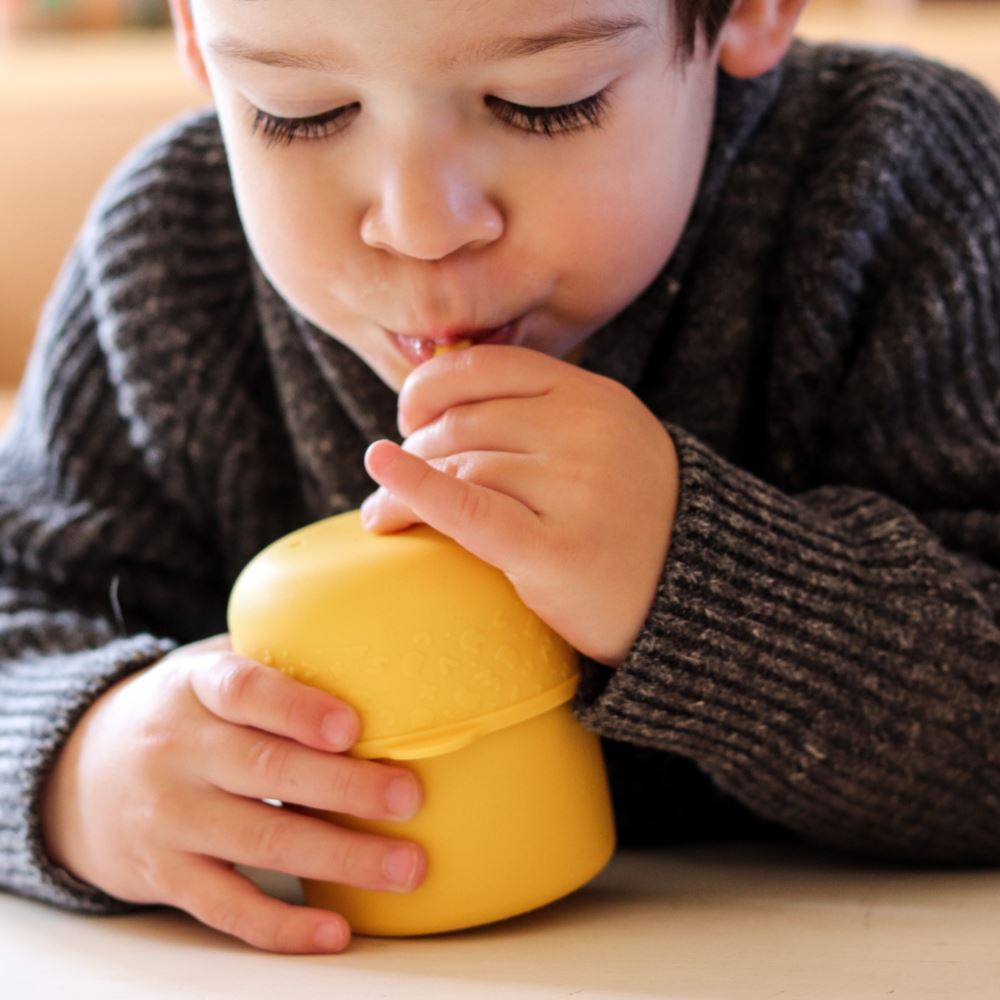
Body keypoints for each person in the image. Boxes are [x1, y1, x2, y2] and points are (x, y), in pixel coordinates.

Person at [1, 0, 998, 956]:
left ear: (747, 8)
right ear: (194, 32)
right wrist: (77, 764)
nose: (420, 224)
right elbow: (19, 614)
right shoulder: (171, 255)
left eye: (544, 102)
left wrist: (695, 578)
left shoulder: (900, 181)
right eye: (299, 113)